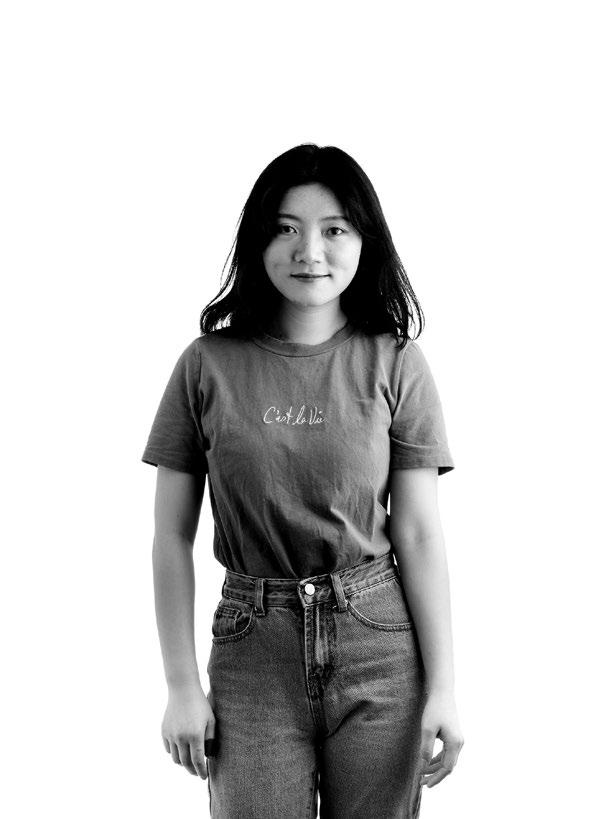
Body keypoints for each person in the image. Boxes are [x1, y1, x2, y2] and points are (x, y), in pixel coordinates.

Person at [141, 143, 464, 818]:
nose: (309, 251)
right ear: (257, 241)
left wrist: (444, 686)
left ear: (364, 241)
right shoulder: (205, 365)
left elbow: (418, 533)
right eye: (285, 228)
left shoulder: (396, 362)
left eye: (334, 229)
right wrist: (180, 685)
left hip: (378, 640)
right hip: (251, 649)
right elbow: (170, 536)